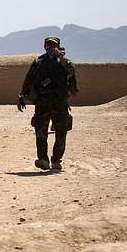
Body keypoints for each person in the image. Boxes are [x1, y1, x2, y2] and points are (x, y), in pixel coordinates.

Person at [18, 36, 78, 171]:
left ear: (58, 45)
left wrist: (61, 59)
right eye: (48, 44)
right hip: (42, 102)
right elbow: (29, 80)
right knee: (40, 132)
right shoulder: (39, 61)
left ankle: (56, 160)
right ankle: (43, 159)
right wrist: (21, 96)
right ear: (44, 45)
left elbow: (72, 75)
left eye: (53, 44)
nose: (50, 46)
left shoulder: (65, 61)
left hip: (60, 102)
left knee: (61, 133)